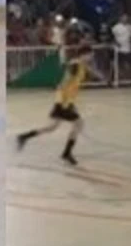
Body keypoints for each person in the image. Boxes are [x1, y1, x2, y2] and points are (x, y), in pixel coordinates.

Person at [17, 35, 98, 166]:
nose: (91, 58)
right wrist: (64, 102)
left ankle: (24, 137)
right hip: (63, 102)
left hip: (65, 102)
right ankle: (66, 153)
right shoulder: (75, 65)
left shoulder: (80, 65)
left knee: (51, 127)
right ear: (84, 54)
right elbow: (63, 83)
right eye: (90, 55)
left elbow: (77, 80)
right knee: (78, 124)